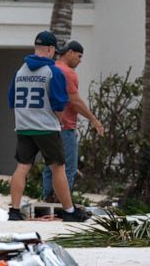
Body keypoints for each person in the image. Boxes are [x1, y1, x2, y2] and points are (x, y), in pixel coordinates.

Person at [7, 30, 87, 222]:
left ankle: (15, 211)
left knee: (22, 167)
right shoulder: (53, 72)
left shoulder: (20, 71)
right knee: (57, 168)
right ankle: (69, 211)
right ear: (51, 49)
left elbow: (11, 100)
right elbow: (60, 103)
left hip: (24, 126)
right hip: (46, 127)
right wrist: (56, 120)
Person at [42, 40, 105, 202]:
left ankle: (48, 200)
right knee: (67, 168)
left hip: (46, 126)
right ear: (69, 52)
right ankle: (64, 203)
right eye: (79, 56)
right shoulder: (67, 72)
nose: (80, 60)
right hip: (65, 127)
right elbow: (74, 101)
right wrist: (93, 119)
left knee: (50, 168)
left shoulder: (50, 69)